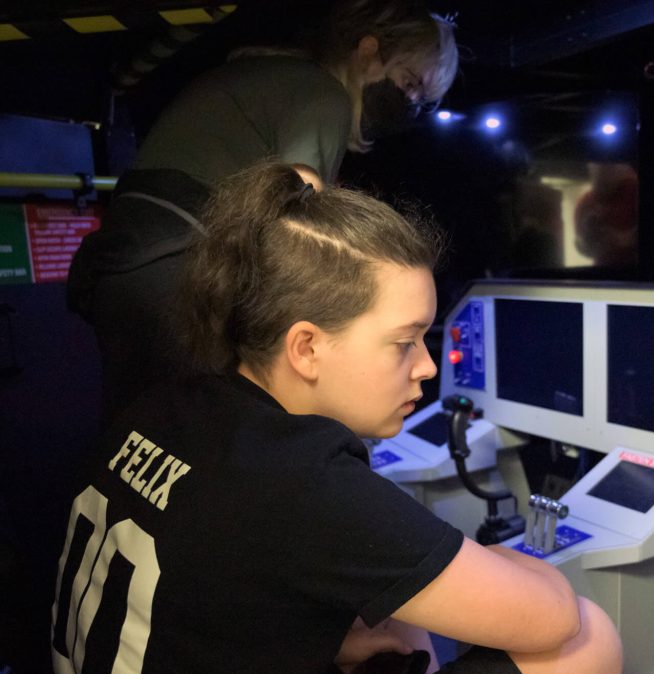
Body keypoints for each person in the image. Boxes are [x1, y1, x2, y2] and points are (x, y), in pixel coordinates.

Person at [51, 162, 623, 674]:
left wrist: (337, 635)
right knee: (589, 641)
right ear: (307, 348)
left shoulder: (164, 408)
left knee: (400, 624)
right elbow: (552, 616)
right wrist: (493, 557)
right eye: (404, 343)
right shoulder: (302, 481)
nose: (427, 366)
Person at [67, 0, 459, 420]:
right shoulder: (323, 94)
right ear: (368, 51)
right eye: (410, 83)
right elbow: (303, 233)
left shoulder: (274, 75)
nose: (410, 102)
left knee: (143, 431)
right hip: (174, 269)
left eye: (422, 100)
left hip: (127, 259)